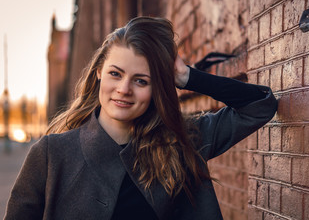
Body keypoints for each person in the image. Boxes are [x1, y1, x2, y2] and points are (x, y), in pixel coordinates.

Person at [4, 16, 277, 220]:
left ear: (156, 87)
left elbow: (260, 105)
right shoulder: (51, 154)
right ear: (99, 72)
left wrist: (187, 77)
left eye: (141, 80)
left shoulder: (184, 141)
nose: (124, 89)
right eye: (115, 73)